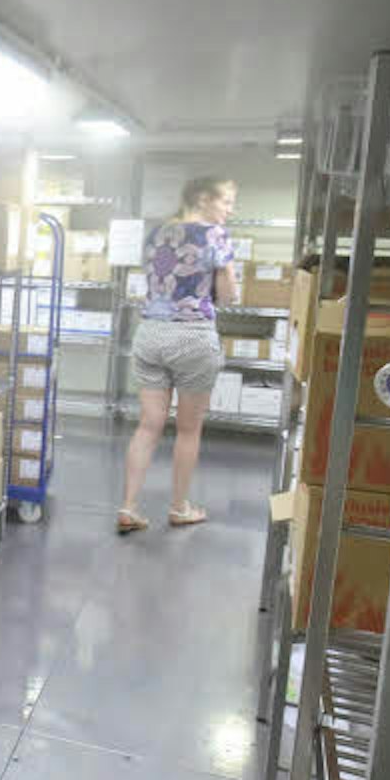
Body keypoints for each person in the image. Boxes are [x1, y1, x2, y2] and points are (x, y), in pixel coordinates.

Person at [117, 175, 240, 533]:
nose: (230, 210)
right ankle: (179, 507)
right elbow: (228, 294)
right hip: (192, 337)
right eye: (226, 201)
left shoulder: (156, 233)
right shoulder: (215, 235)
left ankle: (128, 507)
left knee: (148, 425)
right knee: (188, 430)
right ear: (202, 198)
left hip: (150, 334)